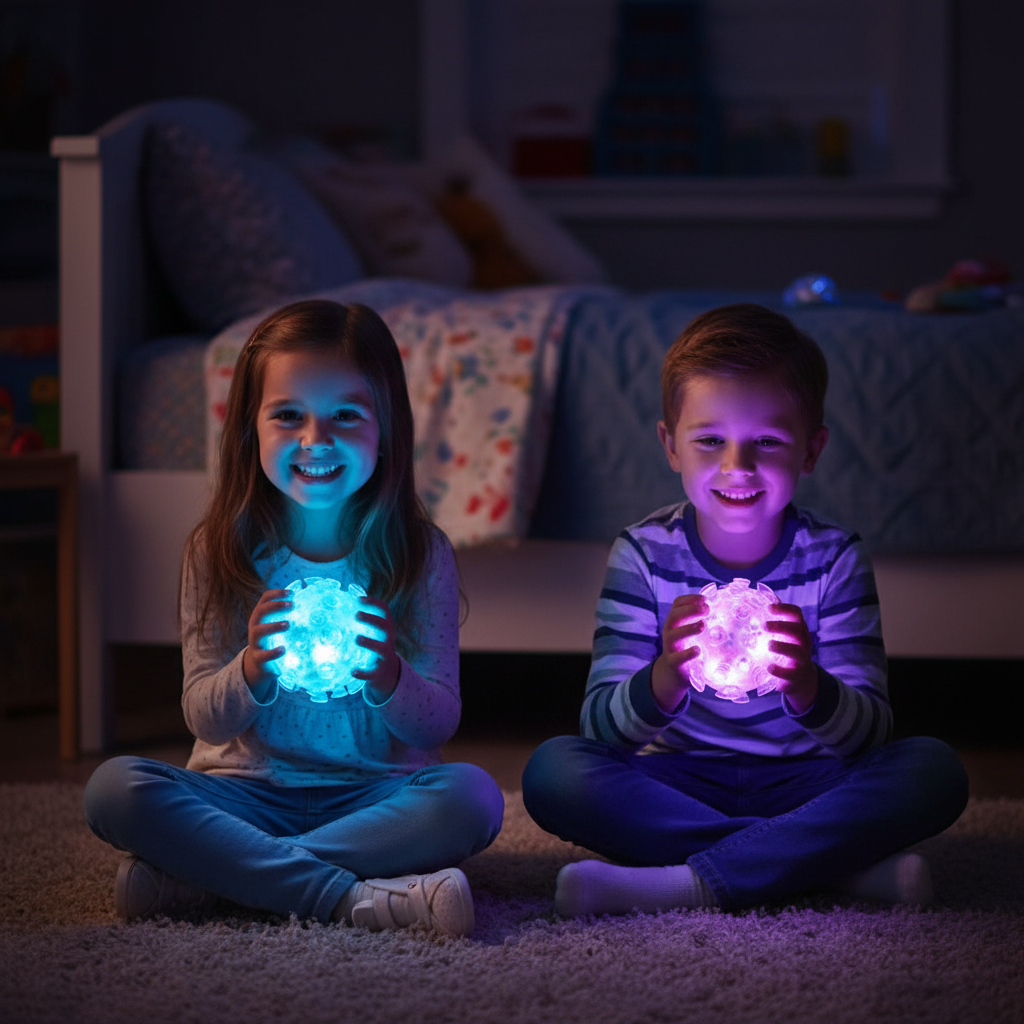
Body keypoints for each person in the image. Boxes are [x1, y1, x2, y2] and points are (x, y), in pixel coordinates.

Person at [521, 303, 968, 917]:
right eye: (709, 440)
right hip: (679, 782)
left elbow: (872, 734)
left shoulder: (835, 557)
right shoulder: (643, 554)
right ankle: (827, 870)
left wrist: (810, 687)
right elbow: (600, 727)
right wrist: (664, 680)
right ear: (670, 446)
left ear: (811, 451)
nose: (737, 466)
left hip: (808, 784)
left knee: (932, 771)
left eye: (767, 441)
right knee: (555, 771)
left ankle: (683, 880)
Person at [84, 300, 504, 936]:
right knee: (114, 788)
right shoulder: (218, 550)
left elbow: (438, 720)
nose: (316, 440)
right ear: (251, 428)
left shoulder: (419, 554)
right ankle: (347, 896)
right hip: (242, 795)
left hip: (375, 796)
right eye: (288, 415)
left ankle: (213, 878)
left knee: (472, 797)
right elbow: (203, 715)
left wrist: (388, 676)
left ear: (386, 427)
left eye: (344, 415)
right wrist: (251, 669)